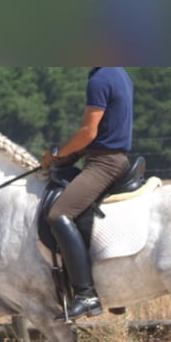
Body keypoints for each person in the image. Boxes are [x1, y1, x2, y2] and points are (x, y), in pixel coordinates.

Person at [41, 67, 134, 321]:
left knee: (59, 214)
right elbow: (103, 132)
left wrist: (57, 152)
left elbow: (88, 132)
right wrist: (71, 156)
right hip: (112, 158)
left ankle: (86, 294)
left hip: (105, 163)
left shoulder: (100, 79)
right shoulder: (119, 72)